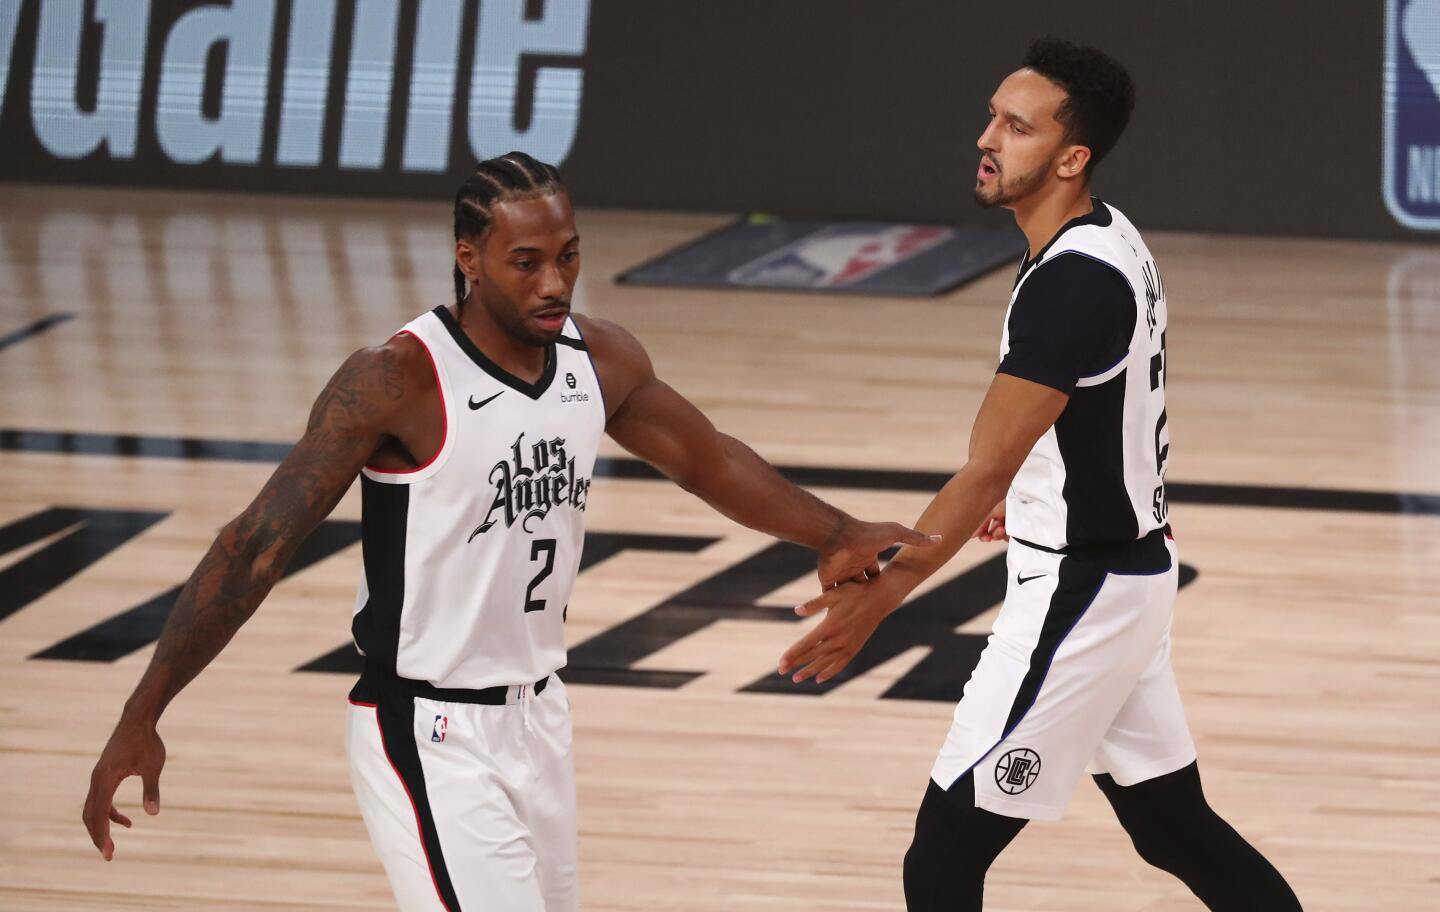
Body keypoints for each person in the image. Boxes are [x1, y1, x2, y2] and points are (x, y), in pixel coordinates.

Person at [81, 151, 937, 911]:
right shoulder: (397, 379)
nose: (553, 284)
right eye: (525, 263)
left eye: (567, 257)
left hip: (540, 718)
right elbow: (253, 547)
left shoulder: (595, 358)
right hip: (428, 728)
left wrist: (836, 531)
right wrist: (143, 710)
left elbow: (709, 461)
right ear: (469, 258)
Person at [778, 38, 1303, 911]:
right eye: (992, 116)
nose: (988, 137)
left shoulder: (1071, 286)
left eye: (1016, 127)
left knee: (943, 854)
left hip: (1082, 590)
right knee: (1173, 827)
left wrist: (882, 595)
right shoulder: (1109, 235)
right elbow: (1094, 412)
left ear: (1071, 156)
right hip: (1125, 572)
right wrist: (1033, 487)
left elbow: (983, 469)